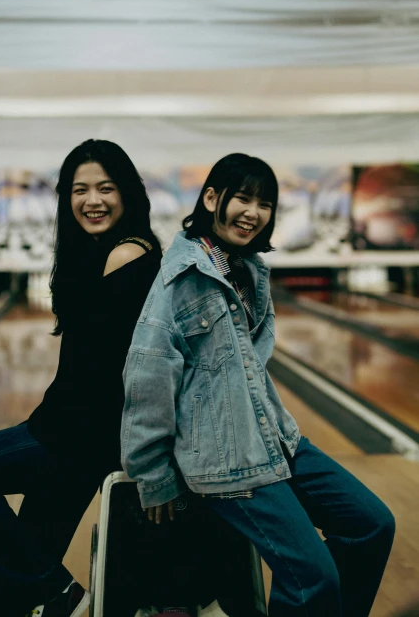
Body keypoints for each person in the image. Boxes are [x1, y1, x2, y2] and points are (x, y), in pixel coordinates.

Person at [121, 153, 395, 617]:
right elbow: (146, 376)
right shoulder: (180, 280)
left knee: (372, 524)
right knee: (312, 578)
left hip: (275, 440)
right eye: (242, 198)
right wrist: (154, 476)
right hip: (228, 460)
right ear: (211, 198)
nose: (253, 212)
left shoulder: (246, 268)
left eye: (264, 203)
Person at [0, 139, 162, 617]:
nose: (91, 200)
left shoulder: (128, 255)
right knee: (15, 572)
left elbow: (114, 373)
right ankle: (50, 595)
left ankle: (64, 595)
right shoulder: (97, 252)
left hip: (75, 439)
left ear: (128, 194)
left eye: (105, 188)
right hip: (73, 432)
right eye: (80, 190)